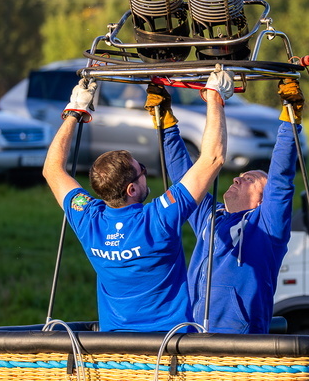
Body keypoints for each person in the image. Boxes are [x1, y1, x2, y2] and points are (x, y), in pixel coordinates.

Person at [42, 68, 232, 332]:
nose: (145, 172)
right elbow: (213, 159)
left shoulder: (88, 220)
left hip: (117, 354)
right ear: (131, 189)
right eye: (141, 169)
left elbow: (52, 170)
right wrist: (214, 99)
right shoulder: (158, 219)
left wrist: (74, 112)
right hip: (169, 349)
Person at [145, 79, 305, 334]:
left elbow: (281, 177)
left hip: (239, 345)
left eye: (250, 179)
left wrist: (290, 119)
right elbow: (185, 177)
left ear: (264, 200)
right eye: (241, 175)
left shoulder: (267, 227)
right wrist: (166, 124)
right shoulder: (211, 218)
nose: (238, 178)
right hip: (193, 335)